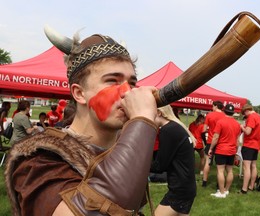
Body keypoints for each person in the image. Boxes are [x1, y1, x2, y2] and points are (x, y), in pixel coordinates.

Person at [5, 30, 158, 215]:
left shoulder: (124, 148)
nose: (128, 92)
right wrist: (142, 123)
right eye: (112, 81)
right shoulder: (40, 158)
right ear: (79, 93)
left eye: (132, 83)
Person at [150, 105, 196, 216]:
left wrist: (140, 164)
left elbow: (160, 166)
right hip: (186, 186)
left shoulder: (168, 130)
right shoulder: (175, 127)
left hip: (180, 190)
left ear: (159, 113)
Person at [208, 104, 241, 198]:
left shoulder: (220, 122)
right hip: (232, 150)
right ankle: (226, 190)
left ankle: (221, 192)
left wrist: (210, 148)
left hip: (221, 150)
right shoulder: (237, 124)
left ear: (224, 111)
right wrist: (236, 151)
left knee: (220, 171)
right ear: (233, 112)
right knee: (230, 171)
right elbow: (237, 141)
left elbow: (215, 137)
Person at [240, 104, 260, 194]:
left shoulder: (251, 117)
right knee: (253, 166)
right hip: (256, 145)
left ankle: (244, 189)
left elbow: (248, 132)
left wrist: (242, 127)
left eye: (244, 114)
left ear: (246, 111)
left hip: (249, 145)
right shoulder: (259, 117)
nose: (245, 116)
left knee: (246, 168)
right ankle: (251, 186)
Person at [202, 100, 225, 187]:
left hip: (210, 141)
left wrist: (209, 130)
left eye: (212, 106)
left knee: (208, 162)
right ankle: (218, 183)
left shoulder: (209, 115)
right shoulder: (224, 116)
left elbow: (204, 130)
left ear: (215, 106)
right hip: (221, 143)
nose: (212, 108)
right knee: (220, 166)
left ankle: (204, 182)